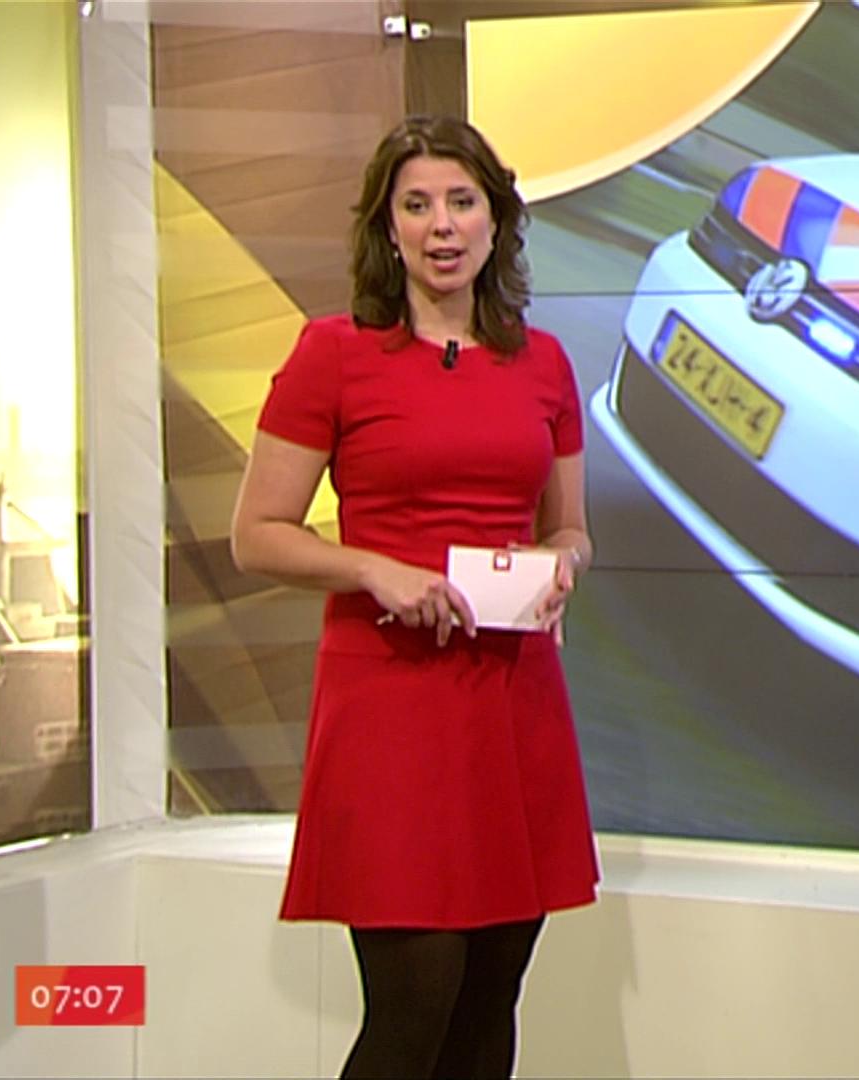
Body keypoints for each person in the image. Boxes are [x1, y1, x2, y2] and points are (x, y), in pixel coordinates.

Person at [230, 115, 598, 1079]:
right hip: (390, 702)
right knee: (414, 1006)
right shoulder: (333, 355)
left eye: (462, 202)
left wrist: (559, 564)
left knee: (489, 1001)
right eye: (418, 205)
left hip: (512, 702)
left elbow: (570, 529)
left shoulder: (545, 364)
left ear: (495, 221)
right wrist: (372, 569)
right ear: (387, 228)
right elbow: (256, 533)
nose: (442, 225)